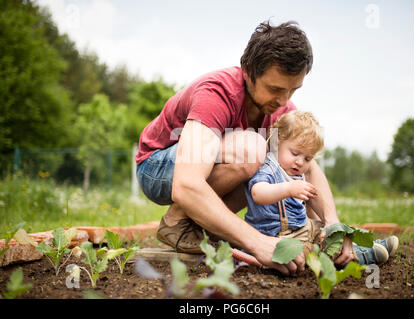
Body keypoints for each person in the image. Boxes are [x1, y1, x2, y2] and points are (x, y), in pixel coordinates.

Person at [136, 20, 353, 276]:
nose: (284, 101)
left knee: (282, 157)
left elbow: (307, 167)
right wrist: (257, 242)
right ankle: (177, 222)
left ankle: (199, 229)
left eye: (293, 90)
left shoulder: (279, 108)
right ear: (248, 72)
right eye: (275, 89)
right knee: (252, 149)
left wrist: (332, 223)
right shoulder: (217, 94)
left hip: (202, 170)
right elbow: (186, 184)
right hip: (157, 166)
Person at [244, 110, 399, 266]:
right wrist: (288, 189)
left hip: (303, 229)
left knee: (330, 235)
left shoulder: (295, 172)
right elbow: (258, 193)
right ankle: (355, 256)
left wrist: (329, 227)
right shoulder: (269, 168)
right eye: (295, 153)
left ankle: (357, 247)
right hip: (277, 237)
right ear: (277, 143)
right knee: (310, 251)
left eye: (307, 158)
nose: (300, 162)